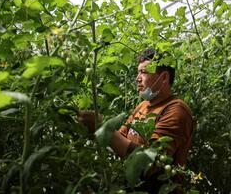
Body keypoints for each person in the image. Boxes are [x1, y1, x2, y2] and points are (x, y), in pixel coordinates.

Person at [77, 48, 193, 193]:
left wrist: (104, 128)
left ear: (164, 78)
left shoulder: (176, 110)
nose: (137, 78)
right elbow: (119, 141)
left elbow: (150, 163)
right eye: (138, 72)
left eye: (144, 72)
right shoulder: (143, 106)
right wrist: (95, 132)